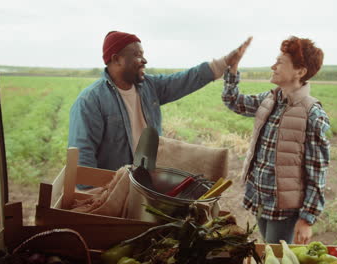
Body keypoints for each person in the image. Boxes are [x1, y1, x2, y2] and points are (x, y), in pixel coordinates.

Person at [68, 31, 250, 189]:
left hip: (147, 184)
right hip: (112, 190)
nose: (144, 60)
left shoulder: (149, 86)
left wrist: (226, 61)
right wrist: (92, 197)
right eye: (137, 55)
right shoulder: (90, 101)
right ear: (116, 59)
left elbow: (184, 80)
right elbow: (82, 156)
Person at [222, 36, 330, 244]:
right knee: (269, 248)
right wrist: (233, 68)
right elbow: (233, 101)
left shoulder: (313, 114)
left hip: (285, 207)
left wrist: (307, 218)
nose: (273, 66)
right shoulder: (269, 99)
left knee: (277, 255)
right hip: (261, 197)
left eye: (280, 62)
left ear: (300, 71)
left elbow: (318, 171)